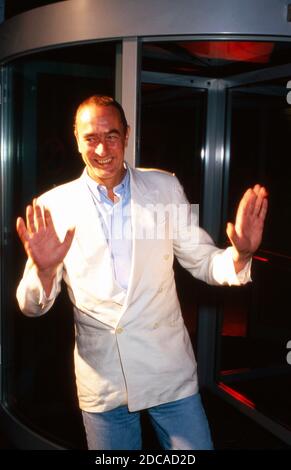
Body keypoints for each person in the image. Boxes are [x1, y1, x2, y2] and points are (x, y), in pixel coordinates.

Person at [16, 95, 268, 450]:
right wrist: (43, 271)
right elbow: (31, 305)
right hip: (103, 381)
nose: (101, 148)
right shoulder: (51, 206)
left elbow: (203, 260)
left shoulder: (165, 187)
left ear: (128, 135)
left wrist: (240, 253)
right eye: (90, 137)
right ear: (75, 137)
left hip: (168, 372)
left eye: (112, 135)